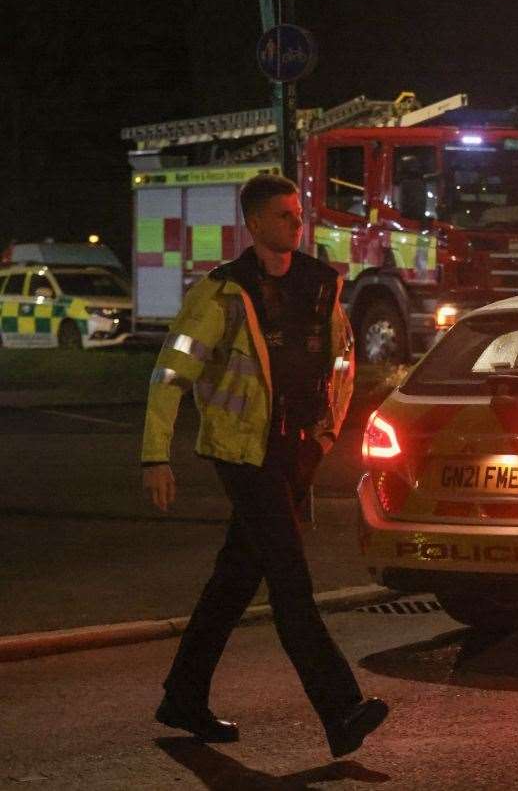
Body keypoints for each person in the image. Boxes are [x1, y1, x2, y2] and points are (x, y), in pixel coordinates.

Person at [141, 173, 388, 756]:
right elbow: (169, 374)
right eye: (282, 215)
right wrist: (156, 455)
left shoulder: (319, 286)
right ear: (252, 225)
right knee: (291, 584)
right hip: (242, 455)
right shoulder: (222, 294)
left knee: (233, 582)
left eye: (298, 215)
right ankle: (341, 709)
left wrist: (325, 435)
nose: (295, 224)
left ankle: (183, 695)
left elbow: (344, 365)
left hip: (295, 453)